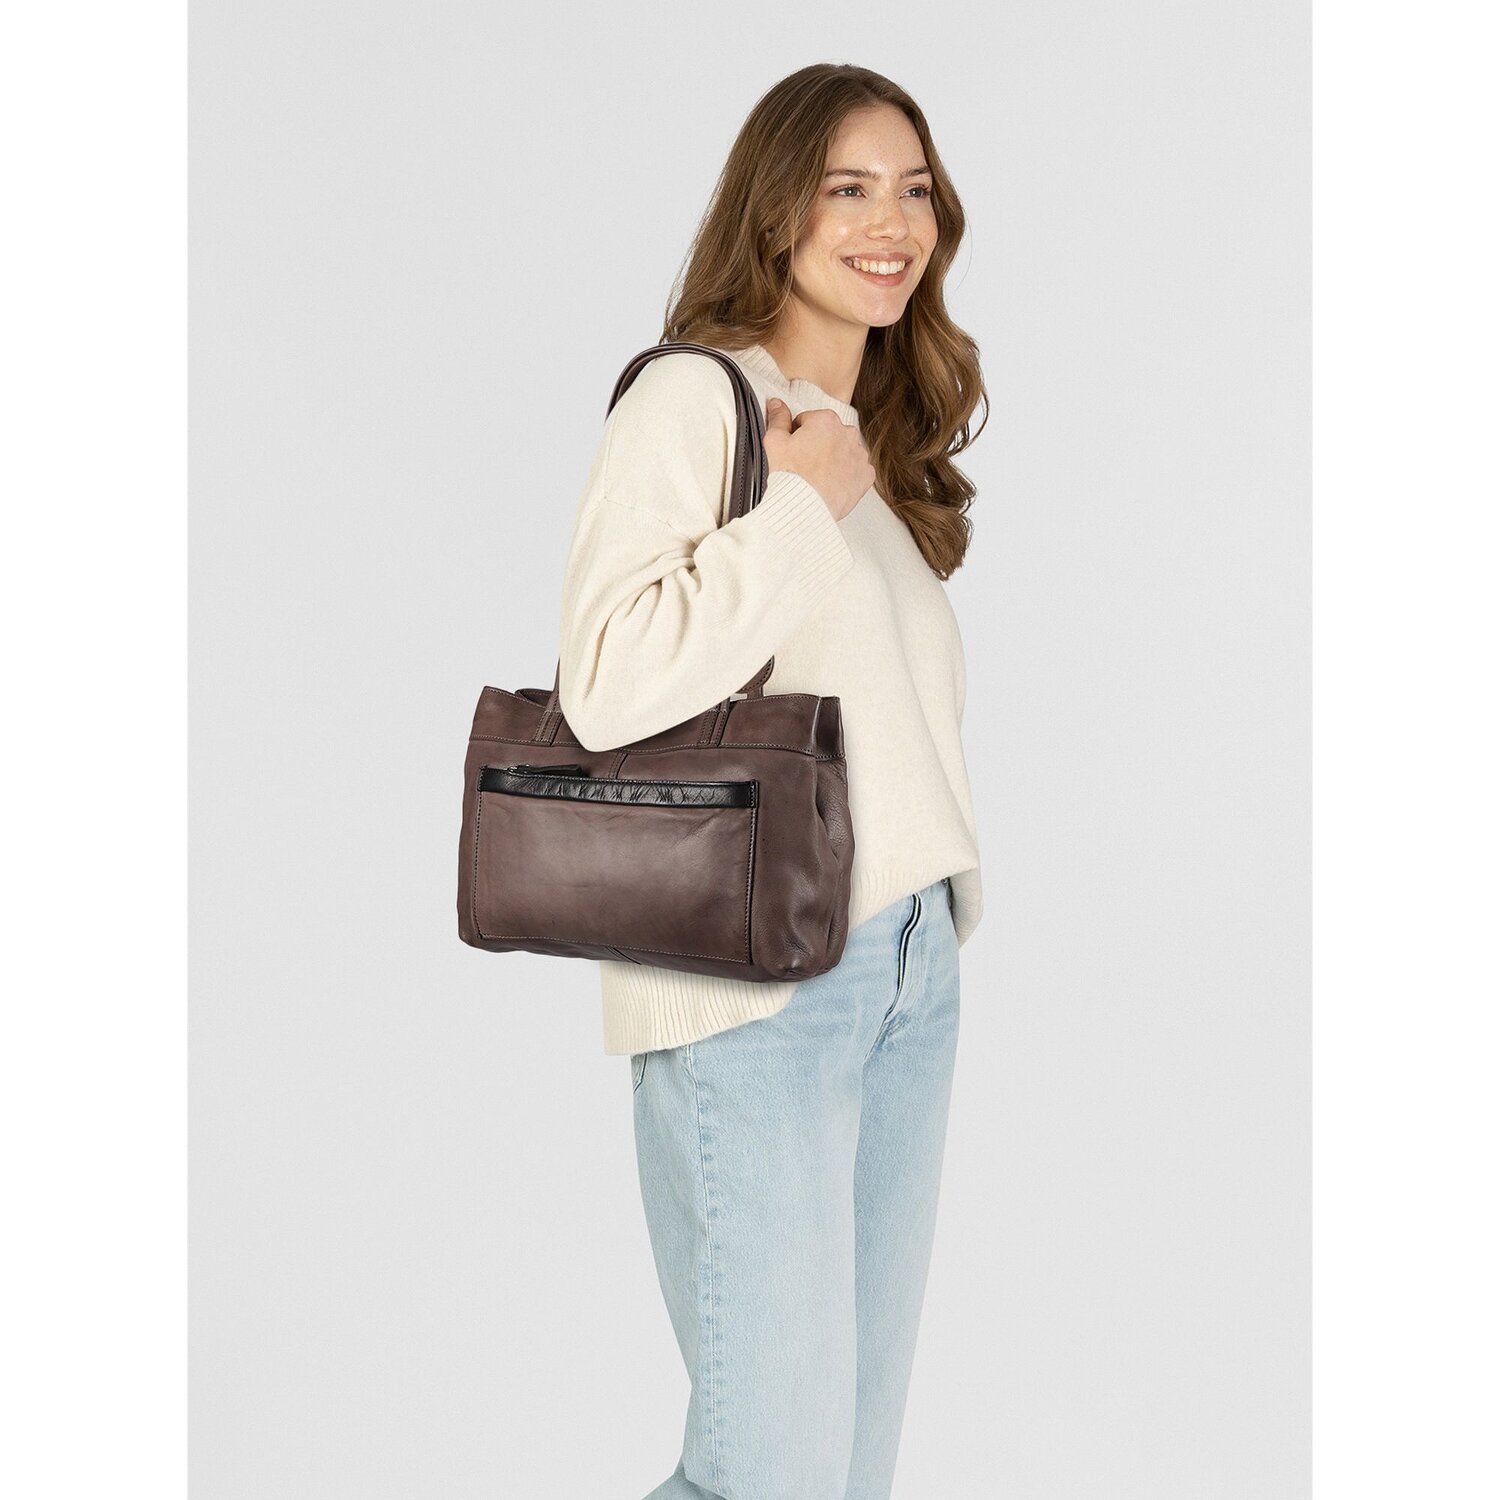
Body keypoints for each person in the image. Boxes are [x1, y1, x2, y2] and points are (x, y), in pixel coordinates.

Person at [557, 62, 988, 1500]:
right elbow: (606, 680)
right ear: (775, 209)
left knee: (841, 1472)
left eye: (914, 190)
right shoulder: (702, 401)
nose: (891, 222)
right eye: (847, 187)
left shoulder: (857, 435)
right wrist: (800, 505)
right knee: (774, 1472)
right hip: (759, 988)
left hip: (903, 968)